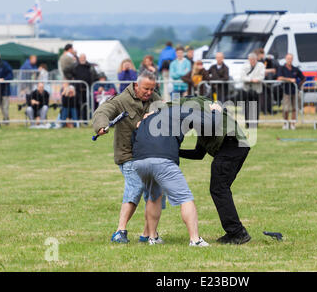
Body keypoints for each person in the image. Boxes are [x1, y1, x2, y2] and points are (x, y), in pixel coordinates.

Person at [130, 102, 219, 246]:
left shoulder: (147, 119)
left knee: (154, 197)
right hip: (162, 161)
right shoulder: (181, 111)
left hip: (139, 162)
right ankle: (195, 240)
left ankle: (152, 237)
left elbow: (133, 139)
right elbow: (210, 122)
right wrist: (216, 111)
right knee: (185, 198)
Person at [92, 72, 163, 244]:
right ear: (136, 85)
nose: (149, 92)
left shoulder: (155, 99)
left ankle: (148, 234)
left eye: (152, 89)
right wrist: (101, 126)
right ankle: (120, 231)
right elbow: (102, 111)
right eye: (146, 88)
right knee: (136, 186)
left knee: (155, 191)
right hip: (127, 154)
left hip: (149, 154)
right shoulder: (121, 100)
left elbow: (166, 115)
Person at [177, 96, 251, 244]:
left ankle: (237, 232)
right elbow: (199, 154)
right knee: (220, 189)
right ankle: (235, 231)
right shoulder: (205, 120)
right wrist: (175, 151)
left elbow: (213, 117)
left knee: (219, 189)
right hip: (237, 147)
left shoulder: (207, 115)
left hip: (230, 146)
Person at [278, 53, 306, 129]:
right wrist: (289, 80)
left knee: (295, 108)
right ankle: (285, 123)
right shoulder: (282, 68)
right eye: (288, 59)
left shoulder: (295, 69)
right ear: (285, 59)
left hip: (295, 91)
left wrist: (299, 85)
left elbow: (303, 78)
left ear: (292, 59)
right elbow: (279, 78)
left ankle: (293, 124)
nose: (289, 60)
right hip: (286, 91)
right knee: (286, 109)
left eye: (291, 59)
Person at [71, 53, 99, 120]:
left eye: (84, 57)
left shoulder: (90, 66)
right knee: (77, 104)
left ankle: (85, 120)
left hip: (87, 88)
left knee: (87, 105)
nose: (83, 59)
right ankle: (77, 119)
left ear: (85, 58)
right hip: (77, 88)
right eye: (81, 57)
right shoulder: (75, 66)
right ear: (79, 58)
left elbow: (95, 76)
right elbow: (68, 72)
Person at [241, 53, 265, 128]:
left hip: (256, 89)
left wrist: (256, 79)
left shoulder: (260, 65)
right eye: (250, 60)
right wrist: (251, 79)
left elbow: (261, 76)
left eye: (253, 60)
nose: (252, 61)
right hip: (247, 89)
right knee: (246, 107)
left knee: (256, 107)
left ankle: (255, 123)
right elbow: (242, 77)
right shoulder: (245, 65)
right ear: (249, 60)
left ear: (256, 59)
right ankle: (247, 123)